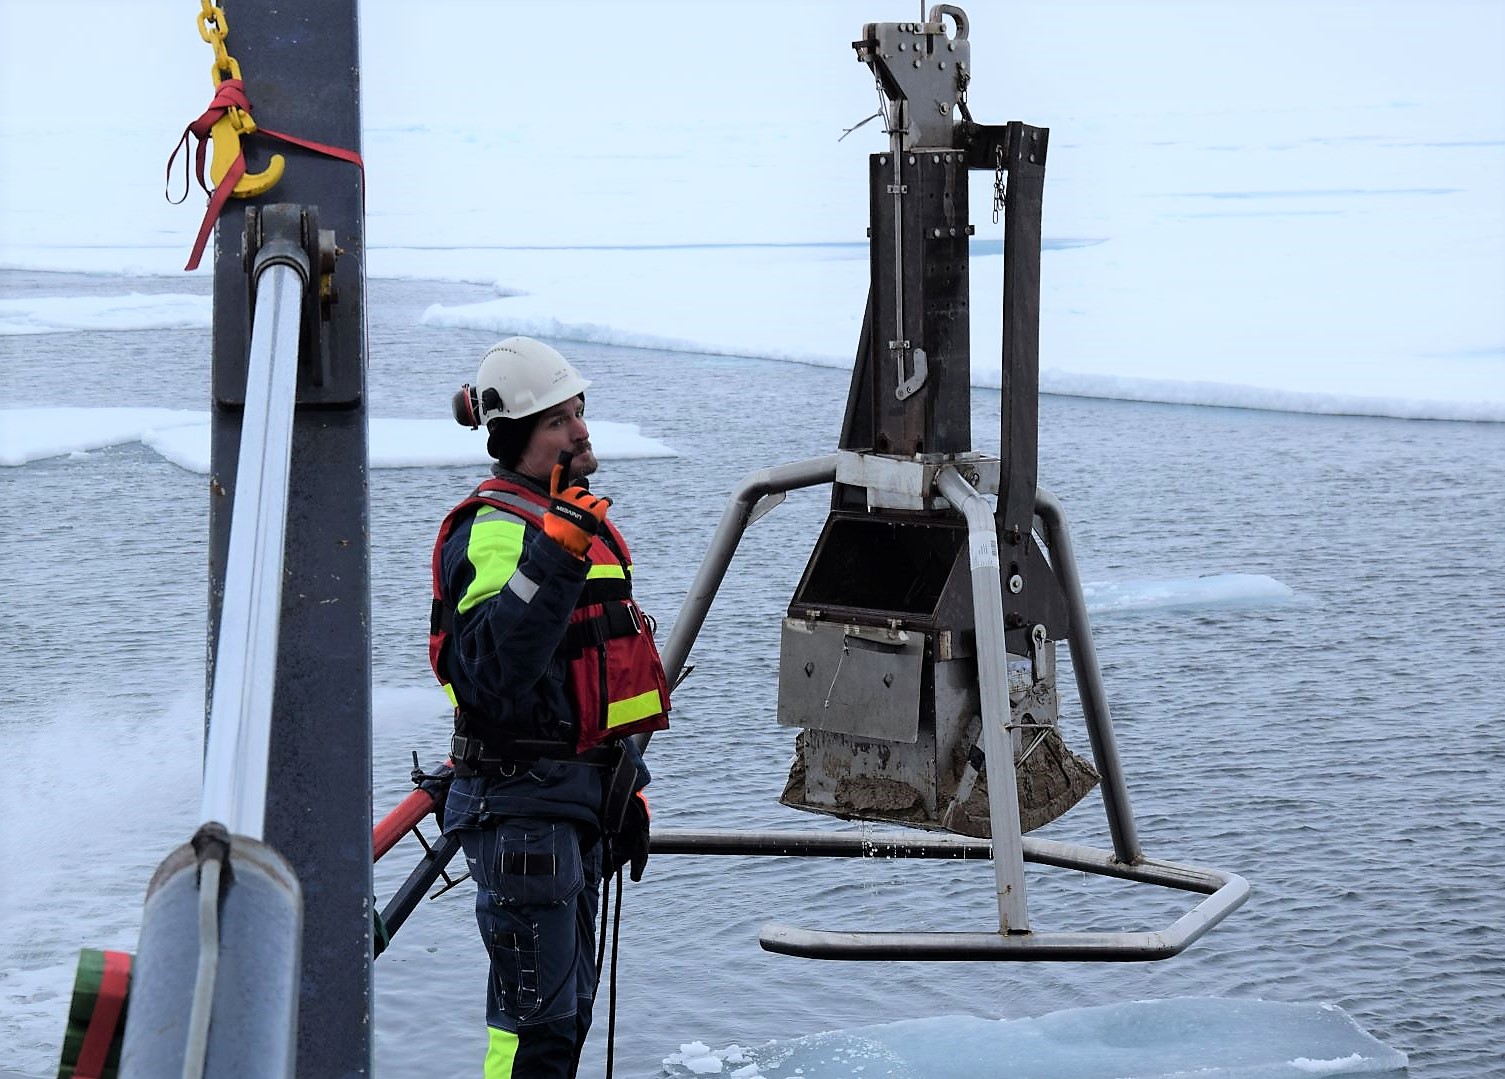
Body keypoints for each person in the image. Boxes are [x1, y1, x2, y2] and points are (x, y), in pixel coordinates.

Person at [428, 336, 670, 1078]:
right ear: (514, 439)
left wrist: (621, 787)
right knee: (534, 1033)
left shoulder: (563, 521)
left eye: (579, 411)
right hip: (522, 812)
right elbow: (490, 672)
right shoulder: (498, 530)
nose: (580, 430)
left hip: (569, 804)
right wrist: (556, 553)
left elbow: (581, 688)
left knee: (564, 1023)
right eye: (557, 420)